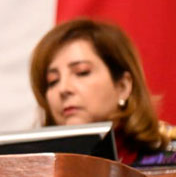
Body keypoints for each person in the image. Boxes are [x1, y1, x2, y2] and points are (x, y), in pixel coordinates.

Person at [29, 18, 175, 166]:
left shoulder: (169, 157)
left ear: (123, 86)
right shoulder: (36, 168)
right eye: (53, 81)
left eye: (82, 72)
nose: (63, 89)